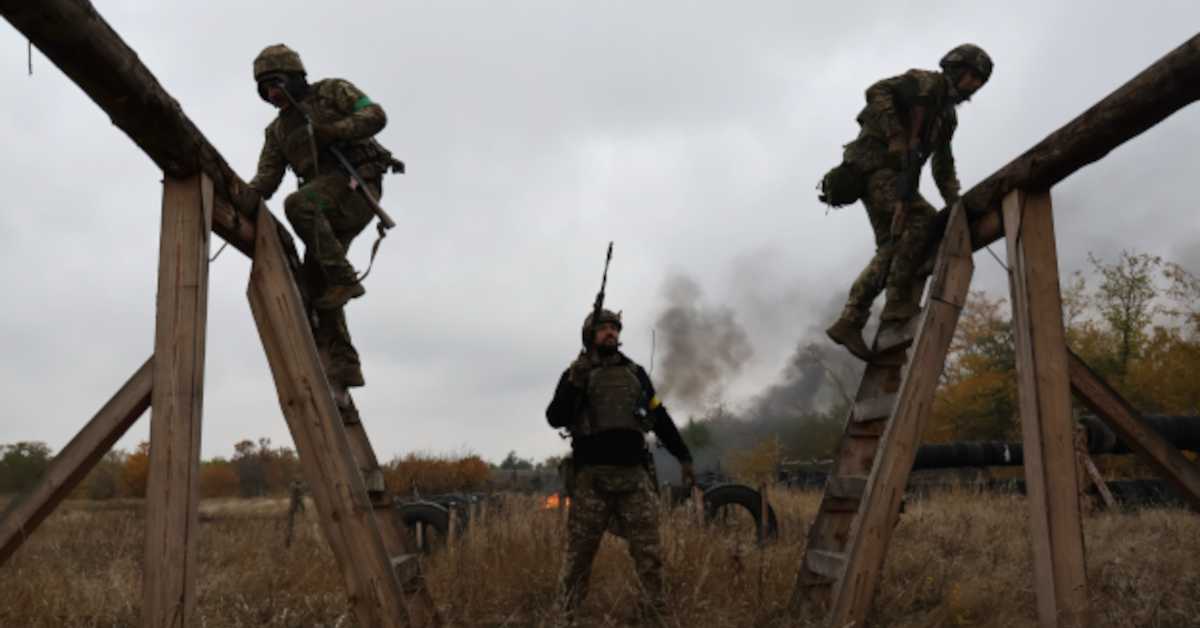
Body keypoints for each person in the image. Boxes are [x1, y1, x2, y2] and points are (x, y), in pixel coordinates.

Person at [243, 44, 403, 394]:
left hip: (355, 186)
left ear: (295, 78)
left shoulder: (332, 91)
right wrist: (232, 194)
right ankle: (345, 367)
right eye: (265, 89)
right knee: (318, 287)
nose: (272, 94)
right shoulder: (277, 132)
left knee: (298, 205)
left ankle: (344, 277)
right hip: (324, 207)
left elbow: (375, 115)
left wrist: (336, 130)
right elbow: (265, 180)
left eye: (276, 84)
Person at [824, 44, 993, 360]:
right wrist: (895, 137)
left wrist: (955, 202)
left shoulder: (946, 117)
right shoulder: (924, 83)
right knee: (923, 222)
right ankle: (897, 302)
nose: (974, 86)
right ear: (956, 69)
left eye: (980, 81)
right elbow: (875, 91)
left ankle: (850, 320)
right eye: (972, 77)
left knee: (892, 245)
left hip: (896, 177)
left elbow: (942, 163)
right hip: (874, 167)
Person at [545, 309, 695, 626]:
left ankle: (653, 616)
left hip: (633, 478)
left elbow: (660, 417)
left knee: (650, 554)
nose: (610, 333)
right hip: (591, 480)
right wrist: (575, 380)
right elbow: (555, 417)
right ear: (589, 335)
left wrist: (684, 456)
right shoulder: (576, 375)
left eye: (614, 328)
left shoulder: (636, 374)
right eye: (603, 328)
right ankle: (566, 616)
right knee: (578, 558)